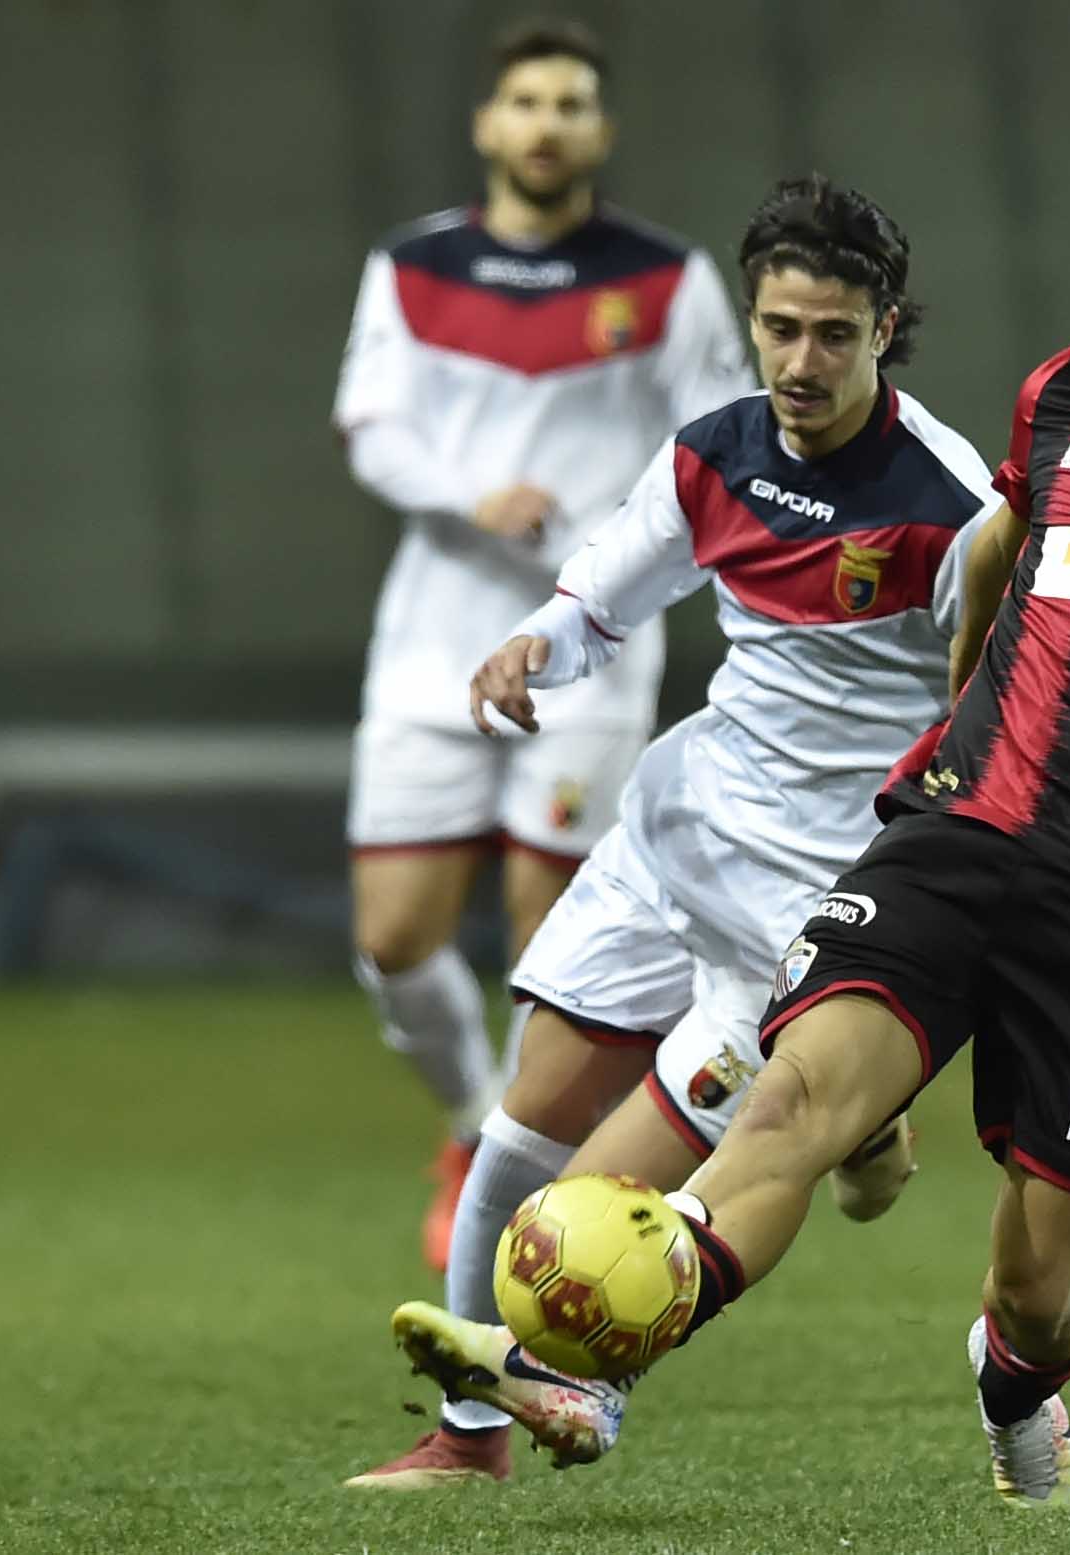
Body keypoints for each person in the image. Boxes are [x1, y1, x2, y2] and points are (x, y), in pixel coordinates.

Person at [388, 158, 1070, 1512]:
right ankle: (594, 1368)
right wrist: (961, 722)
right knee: (788, 1104)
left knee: (1043, 1287)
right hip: (958, 839)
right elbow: (999, 550)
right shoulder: (1069, 397)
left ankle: (1014, 1382)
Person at [345, 176, 996, 1490]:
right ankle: (467, 1439)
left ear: (885, 329)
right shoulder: (713, 452)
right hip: (680, 830)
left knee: (595, 1207)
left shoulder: (953, 508)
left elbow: (1001, 714)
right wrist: (535, 645)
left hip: (813, 899)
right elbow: (602, 597)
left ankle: (581, 1379)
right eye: (778, 328)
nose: (799, 361)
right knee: (520, 1124)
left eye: (833, 334)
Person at [331, 17, 750, 1269]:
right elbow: (370, 424)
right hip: (431, 642)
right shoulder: (413, 266)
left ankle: (525, 1172)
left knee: (548, 936)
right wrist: (474, 498)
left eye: (571, 104)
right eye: (527, 101)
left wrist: (625, 555)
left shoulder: (665, 279)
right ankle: (472, 1120)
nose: (547, 123)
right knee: (392, 938)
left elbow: (719, 442)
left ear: (600, 132)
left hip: (587, 646)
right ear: (488, 124)